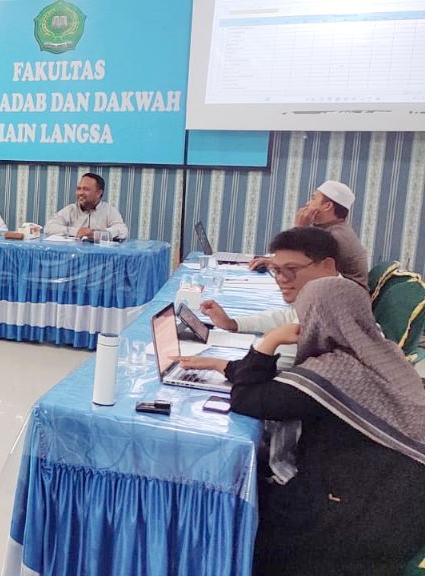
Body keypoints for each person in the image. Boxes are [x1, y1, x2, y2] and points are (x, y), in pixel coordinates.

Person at [181, 277, 425, 575]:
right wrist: (227, 366)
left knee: (245, 508)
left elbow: (248, 399)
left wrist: (268, 342)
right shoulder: (383, 355)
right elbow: (282, 391)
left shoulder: (334, 371)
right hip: (403, 512)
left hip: (352, 526)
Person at [199, 227, 344, 367]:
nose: (281, 279)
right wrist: (233, 324)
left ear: (327, 266)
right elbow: (288, 315)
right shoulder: (331, 290)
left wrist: (220, 366)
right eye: (276, 270)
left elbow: (266, 371)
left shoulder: (328, 307)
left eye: (292, 269)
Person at [249, 180, 369, 290]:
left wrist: (299, 229)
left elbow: (303, 266)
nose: (307, 203)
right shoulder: (331, 229)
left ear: (327, 206)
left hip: (347, 297)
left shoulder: (335, 235)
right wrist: (272, 262)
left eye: (313, 198)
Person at [44, 172, 128, 240]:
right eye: (79, 189)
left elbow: (123, 231)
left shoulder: (109, 210)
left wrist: (99, 235)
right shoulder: (70, 209)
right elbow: (49, 227)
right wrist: (76, 232)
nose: (80, 193)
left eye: (86, 189)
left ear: (99, 193)